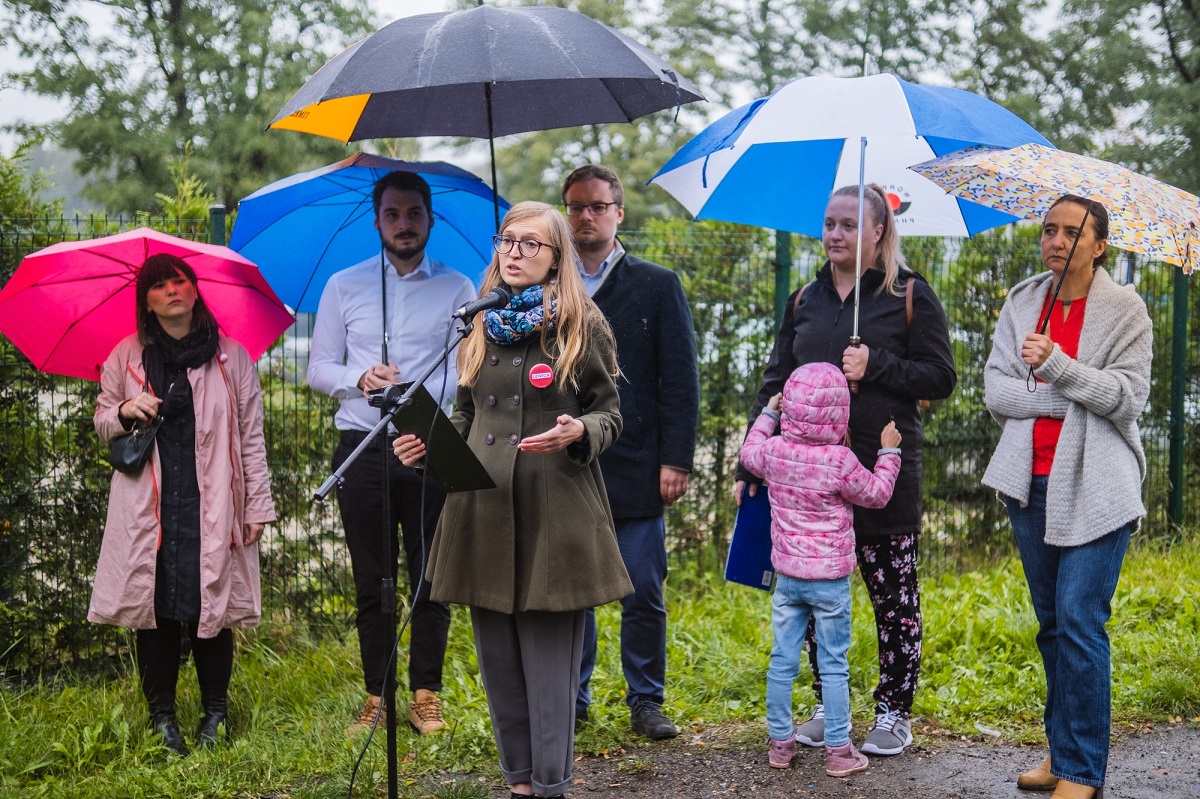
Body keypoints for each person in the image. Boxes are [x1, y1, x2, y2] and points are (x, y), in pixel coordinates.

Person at [394, 201, 632, 799]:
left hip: (555, 504)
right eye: (507, 241)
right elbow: (468, 411)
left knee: (550, 663)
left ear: (557, 260)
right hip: (482, 503)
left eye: (531, 243)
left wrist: (582, 431)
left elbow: (610, 413)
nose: (515, 252)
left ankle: (551, 785)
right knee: (497, 657)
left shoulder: (582, 322)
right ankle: (518, 783)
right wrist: (431, 445)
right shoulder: (479, 321)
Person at [735, 183, 957, 756]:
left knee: (894, 600)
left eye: (848, 225)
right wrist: (752, 463)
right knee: (813, 598)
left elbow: (940, 377)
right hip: (808, 486)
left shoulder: (909, 294)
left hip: (881, 476)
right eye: (829, 223)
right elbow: (776, 380)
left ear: (878, 232)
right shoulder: (804, 300)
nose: (834, 234)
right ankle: (825, 706)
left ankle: (892, 711)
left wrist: (876, 363)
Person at [982, 195, 1151, 799]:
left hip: (1100, 485)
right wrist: (1066, 394)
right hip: (1030, 482)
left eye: (1071, 232)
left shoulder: (1125, 309)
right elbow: (998, 392)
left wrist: (1058, 365)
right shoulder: (1025, 300)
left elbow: (1128, 400)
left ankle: (1083, 772)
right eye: (1048, 230)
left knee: (1081, 620)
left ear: (1099, 245)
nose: (1055, 241)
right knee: (1052, 624)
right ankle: (1061, 754)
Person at [307, 171, 476, 735]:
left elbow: (468, 370)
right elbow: (318, 367)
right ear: (377, 221)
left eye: (414, 214)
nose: (404, 224)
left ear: (430, 219)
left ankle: (426, 694)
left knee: (431, 574)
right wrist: (360, 377)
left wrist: (418, 394)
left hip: (427, 442)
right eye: (393, 214)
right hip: (362, 448)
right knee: (372, 579)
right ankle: (376, 695)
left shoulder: (458, 288)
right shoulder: (344, 285)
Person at [89, 253, 275, 756]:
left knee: (210, 608)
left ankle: (215, 713)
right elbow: (102, 419)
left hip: (209, 502)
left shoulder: (231, 357)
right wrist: (126, 408)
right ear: (146, 302)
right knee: (156, 610)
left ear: (196, 291)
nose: (173, 289)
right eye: (160, 285)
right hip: (149, 508)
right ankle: (162, 717)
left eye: (181, 280)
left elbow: (251, 437)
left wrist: (257, 504)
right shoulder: (124, 355)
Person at [561, 164, 700, 740]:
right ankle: (572, 698)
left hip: (640, 462)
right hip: (565, 465)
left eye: (597, 206)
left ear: (619, 213)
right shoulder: (548, 287)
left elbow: (680, 380)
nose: (585, 216)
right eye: (575, 206)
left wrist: (677, 459)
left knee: (642, 586)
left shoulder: (656, 284)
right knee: (571, 591)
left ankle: (646, 700)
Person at [740, 362, 902, 777]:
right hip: (829, 581)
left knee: (782, 660)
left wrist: (768, 414)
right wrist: (888, 451)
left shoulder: (774, 451)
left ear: (791, 408)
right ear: (840, 413)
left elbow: (748, 453)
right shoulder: (840, 460)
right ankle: (838, 751)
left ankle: (780, 744)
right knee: (833, 663)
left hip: (789, 579)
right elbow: (878, 494)